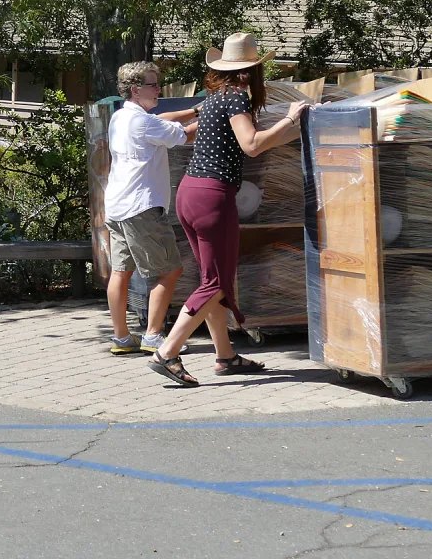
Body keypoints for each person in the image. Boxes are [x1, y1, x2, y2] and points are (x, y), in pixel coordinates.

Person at [148, 33, 306, 386]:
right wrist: (290, 118)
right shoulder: (236, 97)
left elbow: (258, 141)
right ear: (252, 71)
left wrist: (295, 127)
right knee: (217, 283)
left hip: (190, 192)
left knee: (212, 281)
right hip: (213, 198)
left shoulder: (215, 98)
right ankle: (167, 352)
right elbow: (252, 145)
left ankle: (225, 355)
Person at [102, 62, 199, 354]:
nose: (158, 89)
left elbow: (162, 119)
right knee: (169, 271)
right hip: (142, 208)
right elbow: (185, 135)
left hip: (118, 207)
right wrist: (220, 114)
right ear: (135, 90)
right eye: (153, 84)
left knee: (121, 272)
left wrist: (197, 110)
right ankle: (154, 336)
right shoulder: (143, 123)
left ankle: (122, 338)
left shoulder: (121, 116)